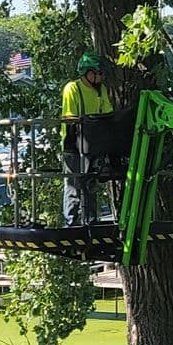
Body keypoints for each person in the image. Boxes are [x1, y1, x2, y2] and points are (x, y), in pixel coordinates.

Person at [61, 51, 113, 224]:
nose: (100, 77)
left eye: (102, 74)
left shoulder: (101, 90)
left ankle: (90, 220)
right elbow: (69, 117)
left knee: (90, 183)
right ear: (87, 72)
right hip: (73, 143)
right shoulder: (72, 88)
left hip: (92, 144)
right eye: (98, 73)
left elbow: (108, 113)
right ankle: (72, 221)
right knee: (74, 183)